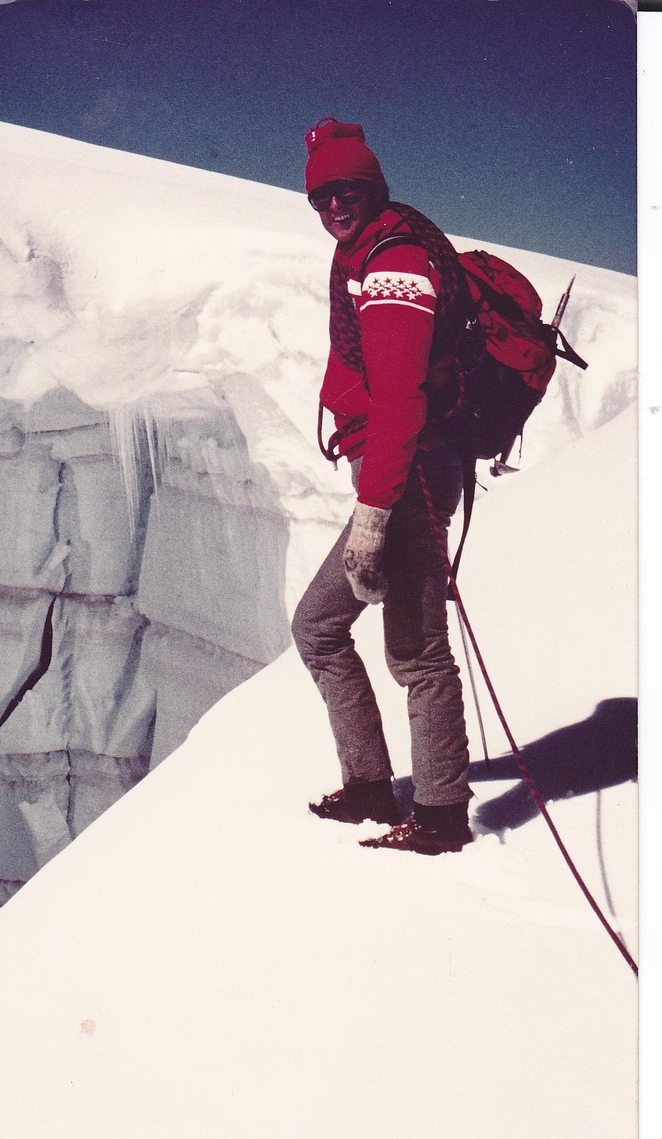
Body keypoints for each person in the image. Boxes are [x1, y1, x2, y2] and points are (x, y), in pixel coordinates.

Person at [291, 118, 473, 856]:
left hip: (409, 478)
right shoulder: (366, 253)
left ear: (372, 189)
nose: (335, 204)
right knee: (324, 628)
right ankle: (371, 787)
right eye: (321, 195)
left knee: (416, 649)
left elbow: (402, 399)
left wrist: (373, 517)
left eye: (347, 190)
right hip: (395, 475)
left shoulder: (394, 262)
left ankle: (439, 817)